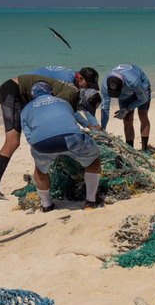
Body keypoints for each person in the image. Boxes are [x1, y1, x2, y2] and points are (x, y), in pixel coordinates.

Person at [0, 72, 89, 200]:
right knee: (13, 141)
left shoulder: (70, 93)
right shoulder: (70, 94)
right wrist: (89, 126)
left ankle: (39, 178)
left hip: (25, 95)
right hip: (13, 91)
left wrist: (88, 125)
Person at [19, 82, 106, 212]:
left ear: (32, 96)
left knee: (40, 170)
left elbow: (29, 136)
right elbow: (73, 118)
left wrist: (42, 148)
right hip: (71, 138)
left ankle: (46, 205)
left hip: (42, 144)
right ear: (51, 93)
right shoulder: (63, 102)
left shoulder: (25, 109)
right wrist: (89, 126)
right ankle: (90, 202)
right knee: (94, 159)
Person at [101, 64, 153, 149]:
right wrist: (103, 129)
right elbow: (105, 109)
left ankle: (144, 149)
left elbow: (143, 99)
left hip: (142, 88)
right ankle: (130, 149)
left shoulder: (134, 81)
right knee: (127, 119)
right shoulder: (105, 86)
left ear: (123, 85)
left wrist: (127, 109)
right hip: (125, 95)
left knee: (142, 115)